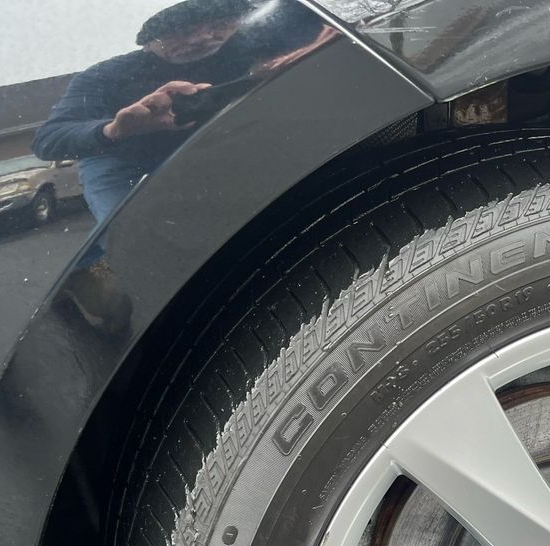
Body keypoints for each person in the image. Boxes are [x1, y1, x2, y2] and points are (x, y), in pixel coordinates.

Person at [33, 0, 332, 328]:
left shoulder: (246, 45)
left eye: (216, 25)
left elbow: (312, 17)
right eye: (180, 32)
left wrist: (314, 45)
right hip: (120, 160)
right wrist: (115, 129)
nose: (200, 38)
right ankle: (91, 274)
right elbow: (49, 138)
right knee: (133, 233)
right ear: (149, 43)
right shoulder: (107, 74)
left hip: (203, 143)